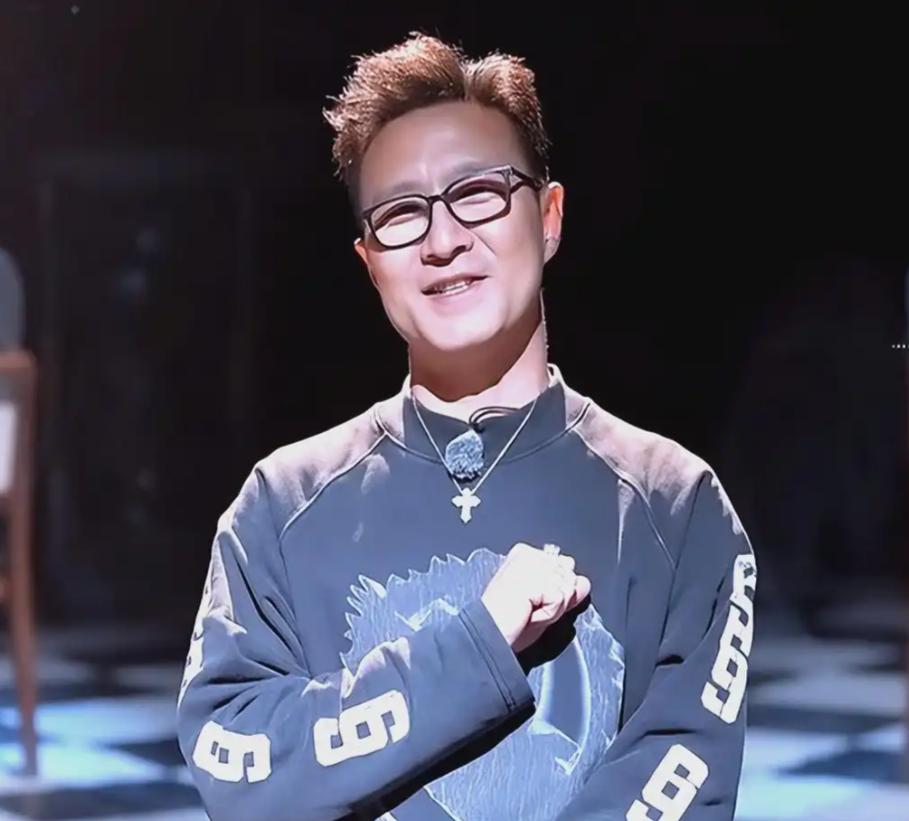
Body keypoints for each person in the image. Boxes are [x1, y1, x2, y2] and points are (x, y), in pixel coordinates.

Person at [176, 32, 756, 821]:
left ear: (548, 216)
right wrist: (475, 644)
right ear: (369, 261)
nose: (443, 239)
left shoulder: (675, 507)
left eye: (478, 192)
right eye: (400, 213)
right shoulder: (279, 507)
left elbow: (679, 780)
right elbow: (239, 764)